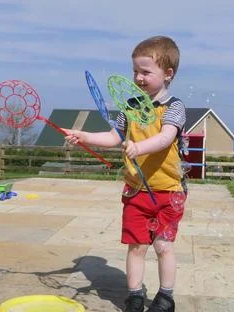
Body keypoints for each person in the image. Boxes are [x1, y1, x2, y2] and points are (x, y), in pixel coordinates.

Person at [64, 35, 186, 312]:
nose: (139, 78)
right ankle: (134, 296)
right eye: (135, 71)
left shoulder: (174, 107)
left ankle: (166, 297)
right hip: (136, 191)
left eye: (146, 72)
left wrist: (139, 147)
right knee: (136, 247)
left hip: (168, 192)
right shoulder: (130, 107)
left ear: (168, 74)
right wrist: (83, 136)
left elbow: (166, 138)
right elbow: (113, 136)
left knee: (163, 246)